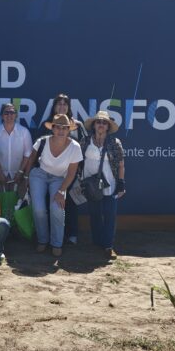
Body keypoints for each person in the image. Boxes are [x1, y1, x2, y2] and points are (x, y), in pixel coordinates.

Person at [18, 113, 83, 257]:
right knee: (39, 209)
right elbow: (31, 160)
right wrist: (26, 178)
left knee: (57, 208)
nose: (61, 131)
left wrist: (61, 192)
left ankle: (57, 243)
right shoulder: (42, 141)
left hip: (60, 179)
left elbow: (71, 173)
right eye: (58, 127)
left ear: (69, 130)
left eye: (64, 128)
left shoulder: (75, 147)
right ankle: (42, 240)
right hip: (39, 175)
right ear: (52, 129)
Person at [39, 93, 88, 245]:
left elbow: (84, 147)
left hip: (71, 173)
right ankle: (50, 236)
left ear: (69, 107)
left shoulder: (78, 125)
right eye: (59, 104)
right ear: (54, 107)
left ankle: (71, 234)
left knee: (70, 202)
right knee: (51, 203)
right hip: (50, 173)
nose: (62, 107)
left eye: (65, 104)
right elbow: (40, 150)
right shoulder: (47, 125)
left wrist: (78, 171)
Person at [79, 111, 127, 259]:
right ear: (93, 125)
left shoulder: (114, 143)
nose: (101, 125)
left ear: (108, 127)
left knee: (110, 215)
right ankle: (97, 242)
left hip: (110, 185)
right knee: (94, 215)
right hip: (91, 185)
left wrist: (121, 183)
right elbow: (78, 162)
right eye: (98, 122)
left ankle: (108, 245)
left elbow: (120, 165)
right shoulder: (85, 141)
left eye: (104, 123)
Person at [0, 102, 33, 193]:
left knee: (17, 203)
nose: (9, 115)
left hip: (19, 173)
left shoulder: (24, 132)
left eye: (12, 112)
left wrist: (20, 172)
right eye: (6, 113)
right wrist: (0, 174)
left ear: (16, 115)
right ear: (2, 116)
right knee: (0, 202)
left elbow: (28, 154)